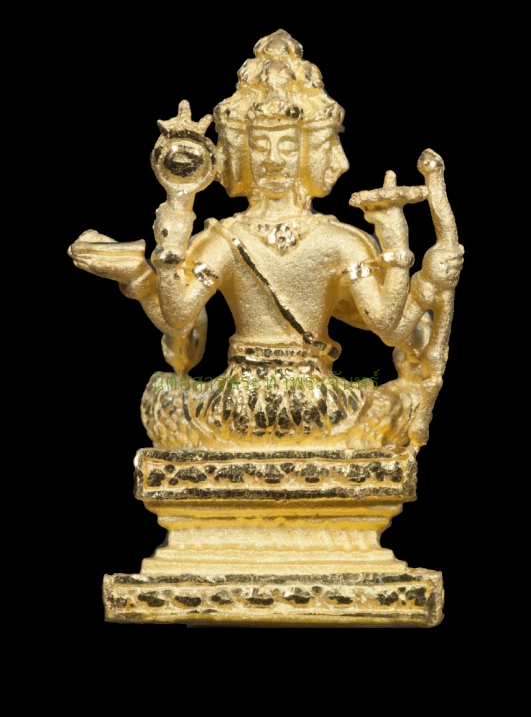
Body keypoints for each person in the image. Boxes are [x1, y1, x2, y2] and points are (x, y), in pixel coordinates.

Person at [69, 30, 463, 451]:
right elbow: (178, 318)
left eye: (288, 145)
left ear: (311, 151)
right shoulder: (227, 238)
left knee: (164, 399)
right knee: (398, 405)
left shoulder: (338, 242)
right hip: (283, 405)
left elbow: (387, 326)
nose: (274, 159)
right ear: (240, 153)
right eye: (260, 145)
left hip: (265, 407)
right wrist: (161, 243)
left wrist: (418, 270)